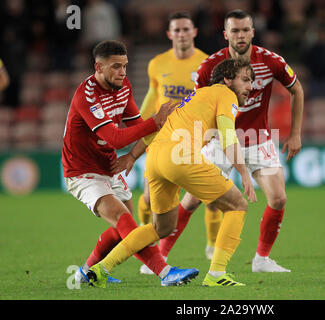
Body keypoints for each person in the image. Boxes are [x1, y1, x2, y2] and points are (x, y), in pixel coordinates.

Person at [87, 58, 257, 288]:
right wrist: (244, 173)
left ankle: (101, 268)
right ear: (227, 80)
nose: (250, 87)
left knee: (162, 227)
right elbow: (228, 135)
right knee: (237, 205)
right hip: (182, 156)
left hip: (156, 157)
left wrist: (133, 156)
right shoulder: (225, 95)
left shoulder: (197, 95)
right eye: (245, 80)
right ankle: (217, 274)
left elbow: (161, 126)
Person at [158, 9, 305, 273]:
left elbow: (297, 90)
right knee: (192, 200)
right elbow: (197, 106)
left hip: (258, 138)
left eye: (245, 30)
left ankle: (261, 260)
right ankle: (160, 256)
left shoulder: (270, 61)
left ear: (252, 32)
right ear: (226, 34)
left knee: (278, 198)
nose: (240, 35)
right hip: (219, 140)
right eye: (235, 30)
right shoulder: (210, 67)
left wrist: (295, 133)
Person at [63, 39, 198, 287]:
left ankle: (86, 272)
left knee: (122, 230)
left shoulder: (123, 86)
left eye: (124, 66)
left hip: (110, 166)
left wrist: (135, 154)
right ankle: (165, 273)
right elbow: (114, 137)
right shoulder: (86, 96)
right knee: (126, 223)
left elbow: (137, 126)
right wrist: (155, 122)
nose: (122, 72)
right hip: (82, 172)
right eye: (115, 66)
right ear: (98, 67)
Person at [132, 12, 215, 275]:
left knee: (208, 196)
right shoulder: (157, 64)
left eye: (185, 29)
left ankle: (213, 245)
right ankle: (147, 244)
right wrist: (138, 125)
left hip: (194, 137)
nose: (181, 34)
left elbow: (211, 101)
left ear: (194, 32)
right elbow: (153, 95)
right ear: (169, 34)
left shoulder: (206, 63)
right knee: (147, 198)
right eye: (176, 30)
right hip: (162, 137)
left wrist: (212, 132)